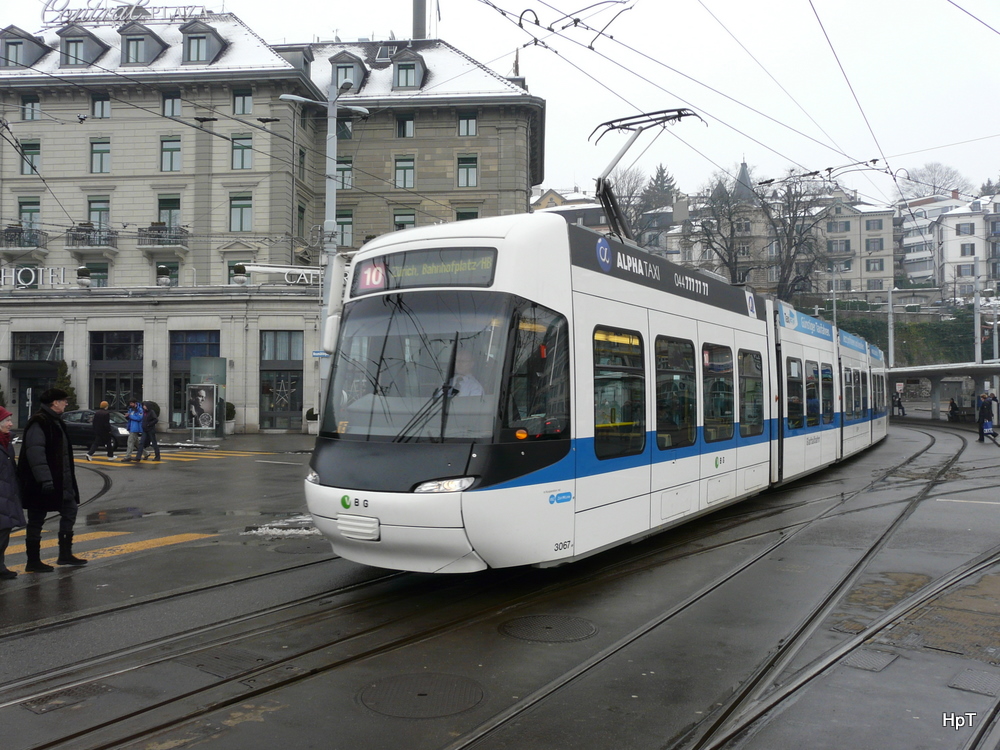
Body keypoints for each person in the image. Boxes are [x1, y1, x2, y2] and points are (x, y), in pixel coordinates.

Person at [16, 388, 86, 571]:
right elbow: (35, 453)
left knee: (70, 510)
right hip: (41, 483)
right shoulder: (39, 422)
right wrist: (45, 480)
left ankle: (64, 554)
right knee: (36, 519)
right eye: (64, 400)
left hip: (61, 480)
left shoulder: (56, 421)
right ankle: (33, 561)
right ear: (54, 402)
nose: (66, 403)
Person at [0, 406, 27, 579]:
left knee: (4, 532)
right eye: (7, 421)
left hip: (7, 494)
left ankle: (0, 566)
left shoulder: (6, 443)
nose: (11, 424)